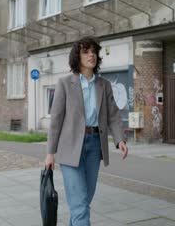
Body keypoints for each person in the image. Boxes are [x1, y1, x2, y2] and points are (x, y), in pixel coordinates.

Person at [44, 37, 128, 226]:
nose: (91, 55)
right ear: (77, 56)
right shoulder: (65, 83)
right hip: (70, 148)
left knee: (83, 202)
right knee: (80, 206)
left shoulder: (103, 85)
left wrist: (119, 139)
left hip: (94, 145)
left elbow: (113, 114)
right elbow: (56, 120)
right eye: (86, 52)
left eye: (94, 52)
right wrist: (50, 153)